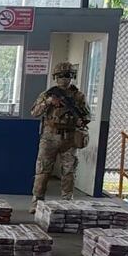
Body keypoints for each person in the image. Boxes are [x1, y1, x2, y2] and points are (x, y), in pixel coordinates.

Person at [30, 61, 90, 205]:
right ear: (55, 77)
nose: (64, 79)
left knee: (69, 171)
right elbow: (34, 112)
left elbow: (87, 116)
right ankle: (37, 201)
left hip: (69, 138)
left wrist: (80, 121)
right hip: (49, 137)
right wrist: (48, 102)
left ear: (72, 76)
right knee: (43, 170)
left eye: (67, 75)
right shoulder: (48, 94)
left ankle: (67, 202)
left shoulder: (78, 96)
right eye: (60, 76)